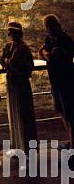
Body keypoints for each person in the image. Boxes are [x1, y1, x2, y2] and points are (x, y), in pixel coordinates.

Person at [0, 22, 37, 155]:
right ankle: (17, 146)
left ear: (16, 33)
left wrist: (8, 62)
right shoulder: (10, 46)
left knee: (23, 115)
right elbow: (2, 59)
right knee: (14, 114)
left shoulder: (23, 48)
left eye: (10, 32)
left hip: (21, 85)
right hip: (12, 84)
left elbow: (20, 66)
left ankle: (27, 149)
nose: (8, 34)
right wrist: (8, 62)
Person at [39, 15, 74, 155]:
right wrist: (46, 53)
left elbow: (52, 56)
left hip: (67, 82)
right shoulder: (50, 39)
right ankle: (72, 142)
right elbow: (42, 53)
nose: (48, 30)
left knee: (70, 115)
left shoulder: (65, 40)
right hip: (55, 82)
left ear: (56, 25)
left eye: (49, 26)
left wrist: (45, 53)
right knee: (60, 110)